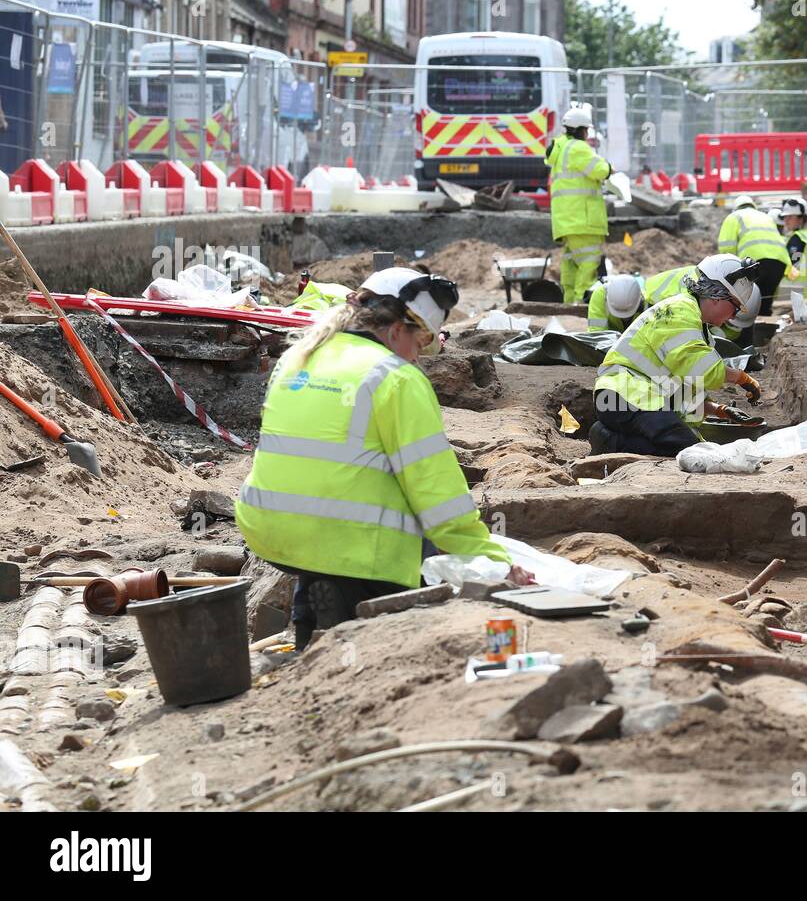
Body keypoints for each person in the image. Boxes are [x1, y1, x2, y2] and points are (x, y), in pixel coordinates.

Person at [236, 268, 534, 649]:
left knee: (329, 549)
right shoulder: (396, 378)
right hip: (344, 541)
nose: (419, 356)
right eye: (420, 343)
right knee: (421, 541)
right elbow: (438, 496)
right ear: (397, 330)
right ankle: (369, 632)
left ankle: (313, 626)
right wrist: (492, 560)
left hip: (270, 529)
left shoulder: (299, 354)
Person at [589, 255, 765, 457]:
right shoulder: (680, 312)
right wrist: (740, 377)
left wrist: (718, 410)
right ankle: (609, 441)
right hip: (623, 395)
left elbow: (683, 391)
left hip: (631, 399)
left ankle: (606, 436)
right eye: (735, 307)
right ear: (718, 296)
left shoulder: (696, 326)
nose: (734, 316)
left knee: (685, 446)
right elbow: (703, 369)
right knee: (686, 448)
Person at [546, 105, 613, 304]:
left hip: (566, 221)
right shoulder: (578, 147)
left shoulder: (560, 148)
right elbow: (599, 170)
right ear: (582, 130)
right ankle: (583, 306)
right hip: (583, 219)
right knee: (588, 264)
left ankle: (569, 305)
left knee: (571, 265)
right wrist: (610, 169)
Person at [716, 195, 791, 316]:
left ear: (736, 207)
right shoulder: (765, 216)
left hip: (753, 263)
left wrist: (728, 270)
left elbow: (727, 246)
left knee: (748, 303)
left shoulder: (734, 217)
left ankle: (749, 331)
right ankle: (766, 330)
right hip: (780, 261)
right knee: (765, 302)